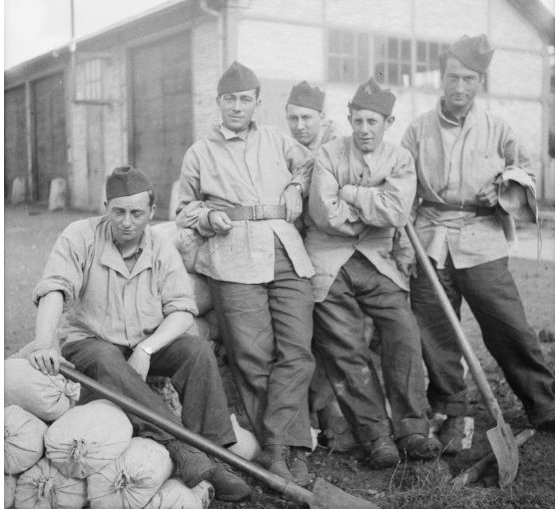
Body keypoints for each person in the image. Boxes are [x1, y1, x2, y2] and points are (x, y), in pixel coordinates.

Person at [28, 166, 251, 502]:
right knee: (104, 357)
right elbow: (55, 289)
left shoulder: (161, 247)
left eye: (136, 213)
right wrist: (44, 344)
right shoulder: (79, 236)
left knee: (196, 350)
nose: (126, 222)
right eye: (118, 212)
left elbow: (181, 308)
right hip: (91, 344)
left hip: (142, 343)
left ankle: (216, 455)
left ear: (152, 211)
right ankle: (182, 449)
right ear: (106, 207)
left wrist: (146, 350)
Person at [401, 34, 555, 453]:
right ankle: (452, 410)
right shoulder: (417, 131)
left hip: (482, 238)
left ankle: (543, 403)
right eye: (452, 77)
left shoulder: (498, 128)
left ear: (479, 81)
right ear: (442, 79)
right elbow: (400, 186)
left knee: (509, 325)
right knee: (435, 332)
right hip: (431, 237)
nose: (459, 87)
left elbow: (525, 174)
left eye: (468, 79)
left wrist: (503, 188)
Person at [175, 62, 316, 485]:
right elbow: (184, 208)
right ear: (218, 103)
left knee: (296, 351)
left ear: (257, 102)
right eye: (229, 99)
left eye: (245, 99)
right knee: (253, 357)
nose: (237, 106)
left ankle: (282, 445)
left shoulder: (277, 139)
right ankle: (282, 451)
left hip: (285, 250)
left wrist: (295, 187)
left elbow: (310, 167)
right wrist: (208, 216)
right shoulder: (200, 151)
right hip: (232, 255)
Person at [305, 77, 441, 468]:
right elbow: (323, 214)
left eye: (373, 122)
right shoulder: (328, 154)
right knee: (346, 348)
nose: (365, 130)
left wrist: (350, 194)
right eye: (359, 120)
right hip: (329, 263)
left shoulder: (399, 159)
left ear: (389, 122)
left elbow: (397, 212)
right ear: (349, 118)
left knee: (404, 331)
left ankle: (412, 429)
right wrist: (372, 210)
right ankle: (375, 436)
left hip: (379, 262)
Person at [285, 81, 338, 154]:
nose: (299, 126)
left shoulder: (336, 142)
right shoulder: (286, 144)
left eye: (306, 118)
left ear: (322, 117)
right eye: (293, 118)